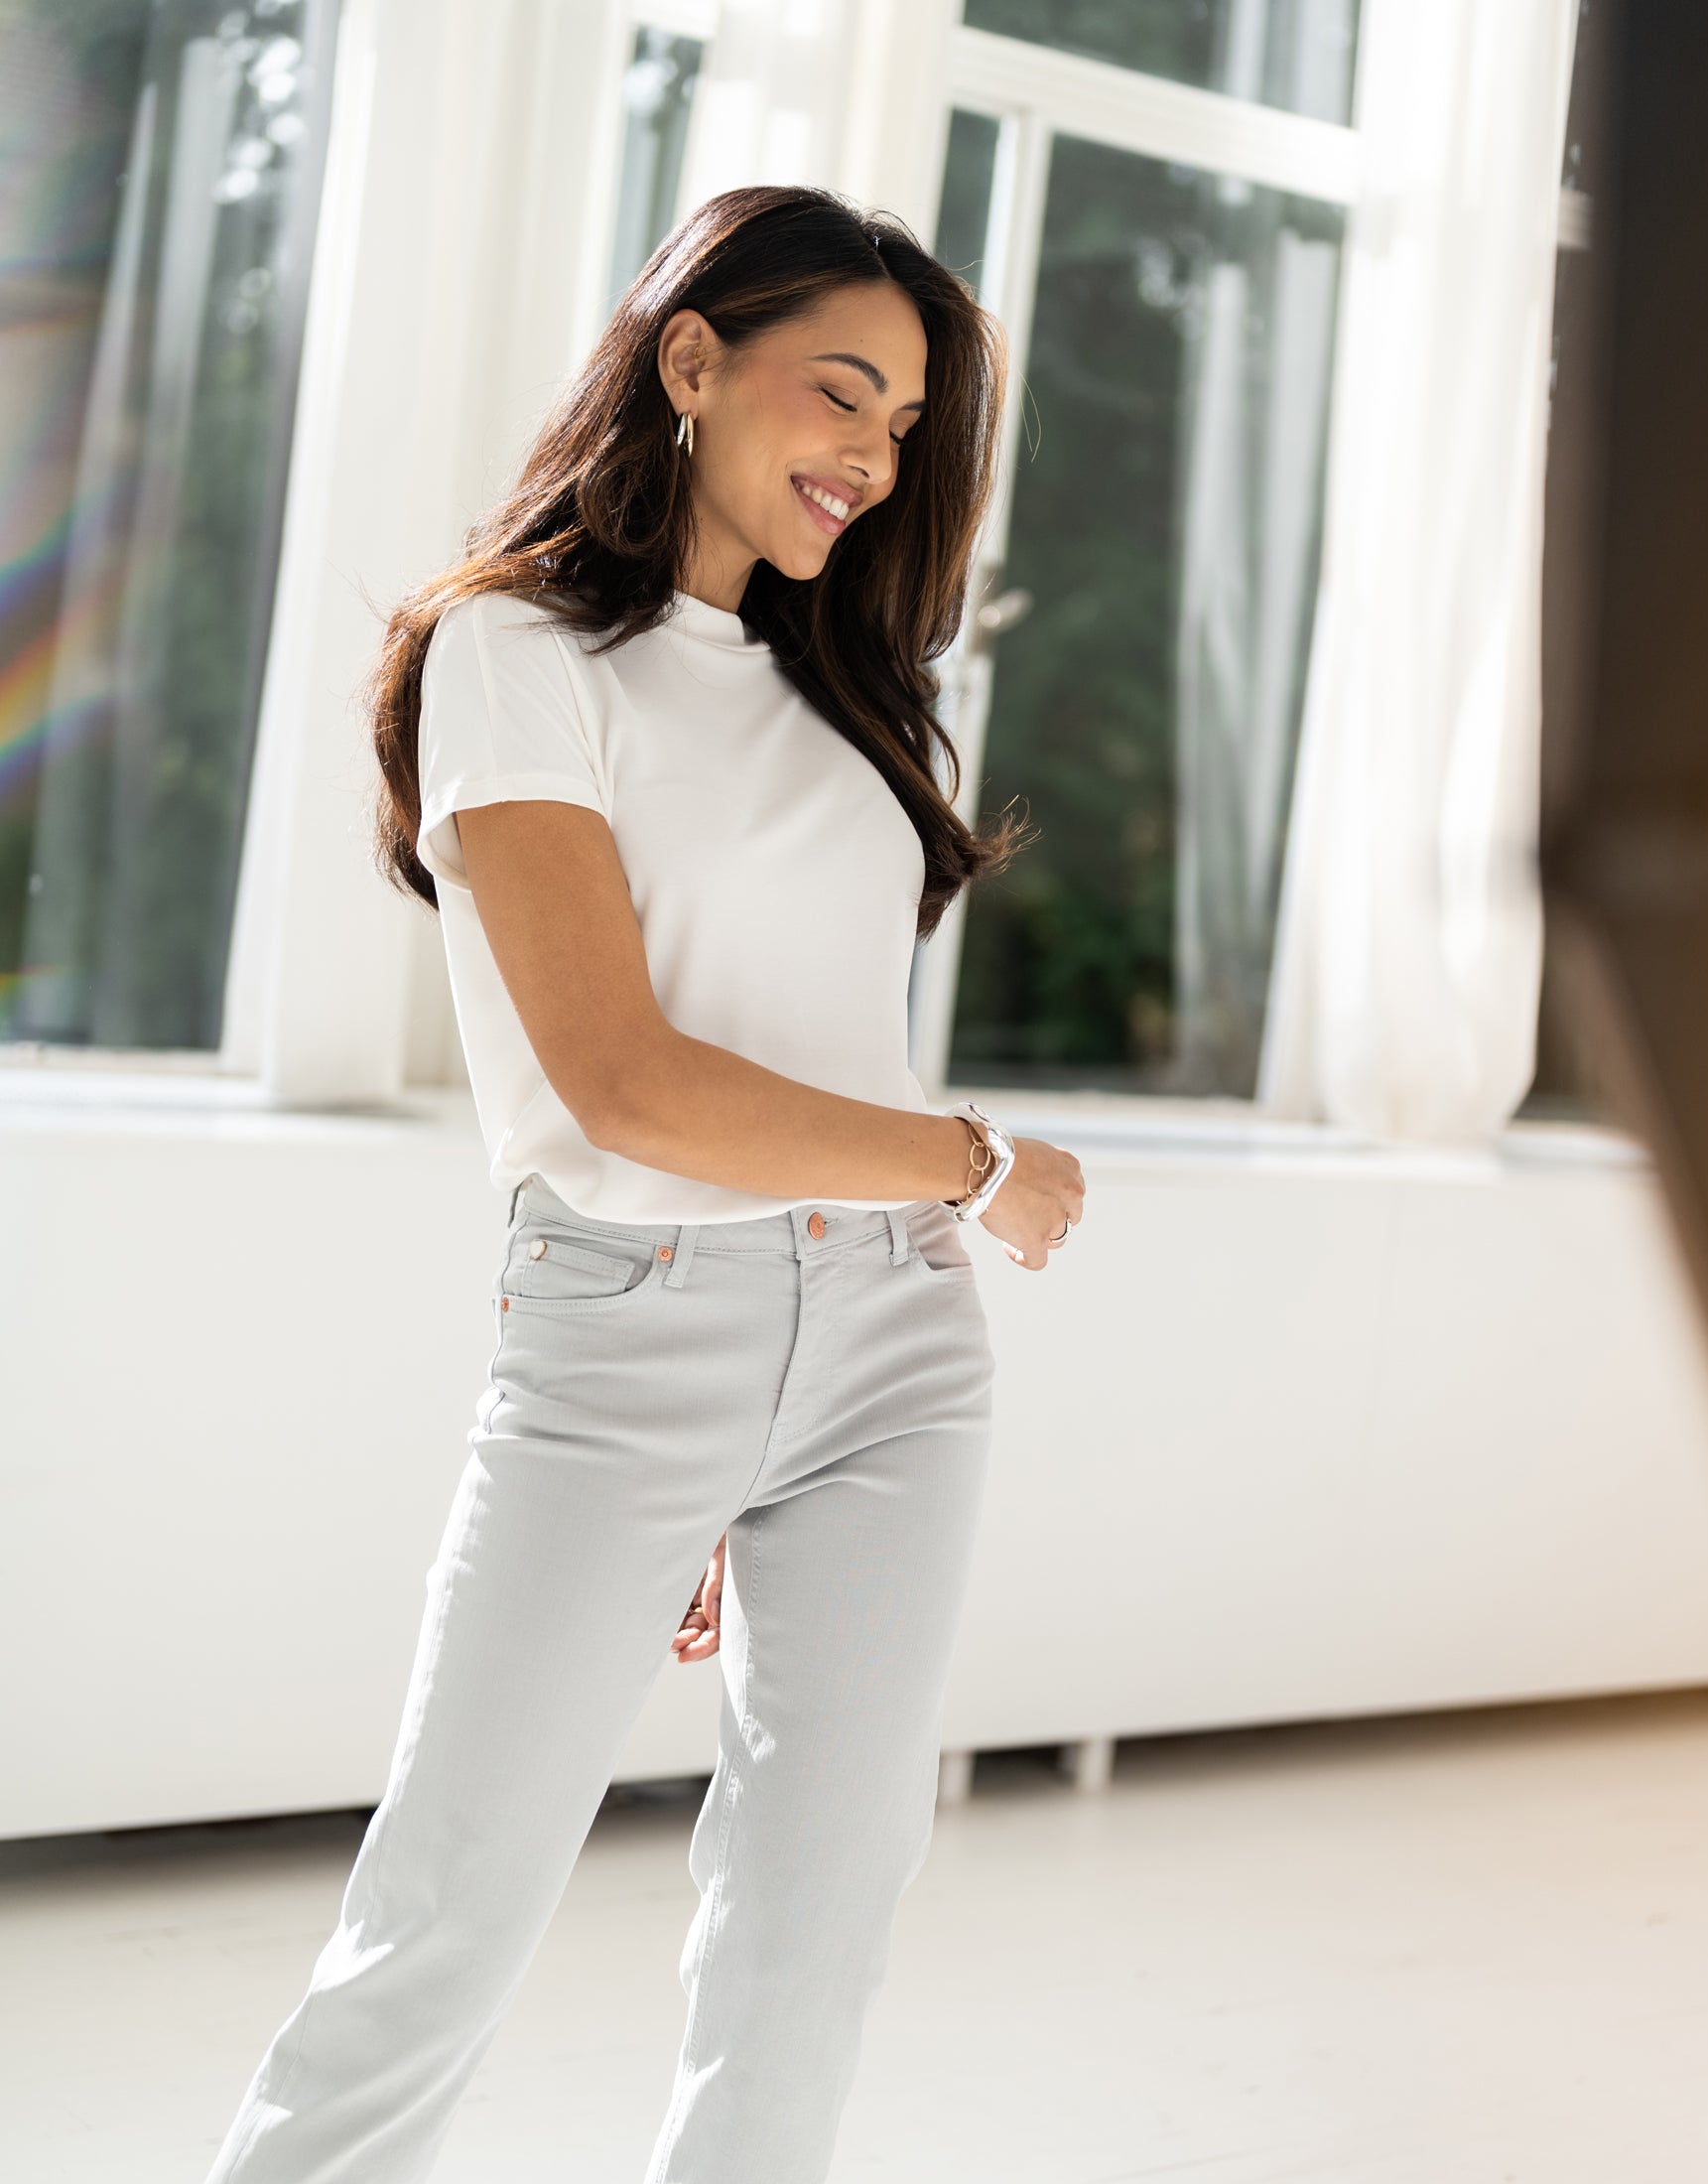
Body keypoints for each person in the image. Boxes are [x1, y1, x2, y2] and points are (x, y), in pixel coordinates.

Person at [201, 183, 1086, 2184]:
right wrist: (979, 1160)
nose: (872, 452)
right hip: (630, 1327)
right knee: (451, 1896)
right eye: (836, 390)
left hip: (892, 1343)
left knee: (823, 1895)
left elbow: (816, 1019)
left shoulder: (834, 683)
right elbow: (622, 1077)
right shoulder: (508, 652)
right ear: (691, 361)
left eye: (905, 420)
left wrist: (802, 1360)